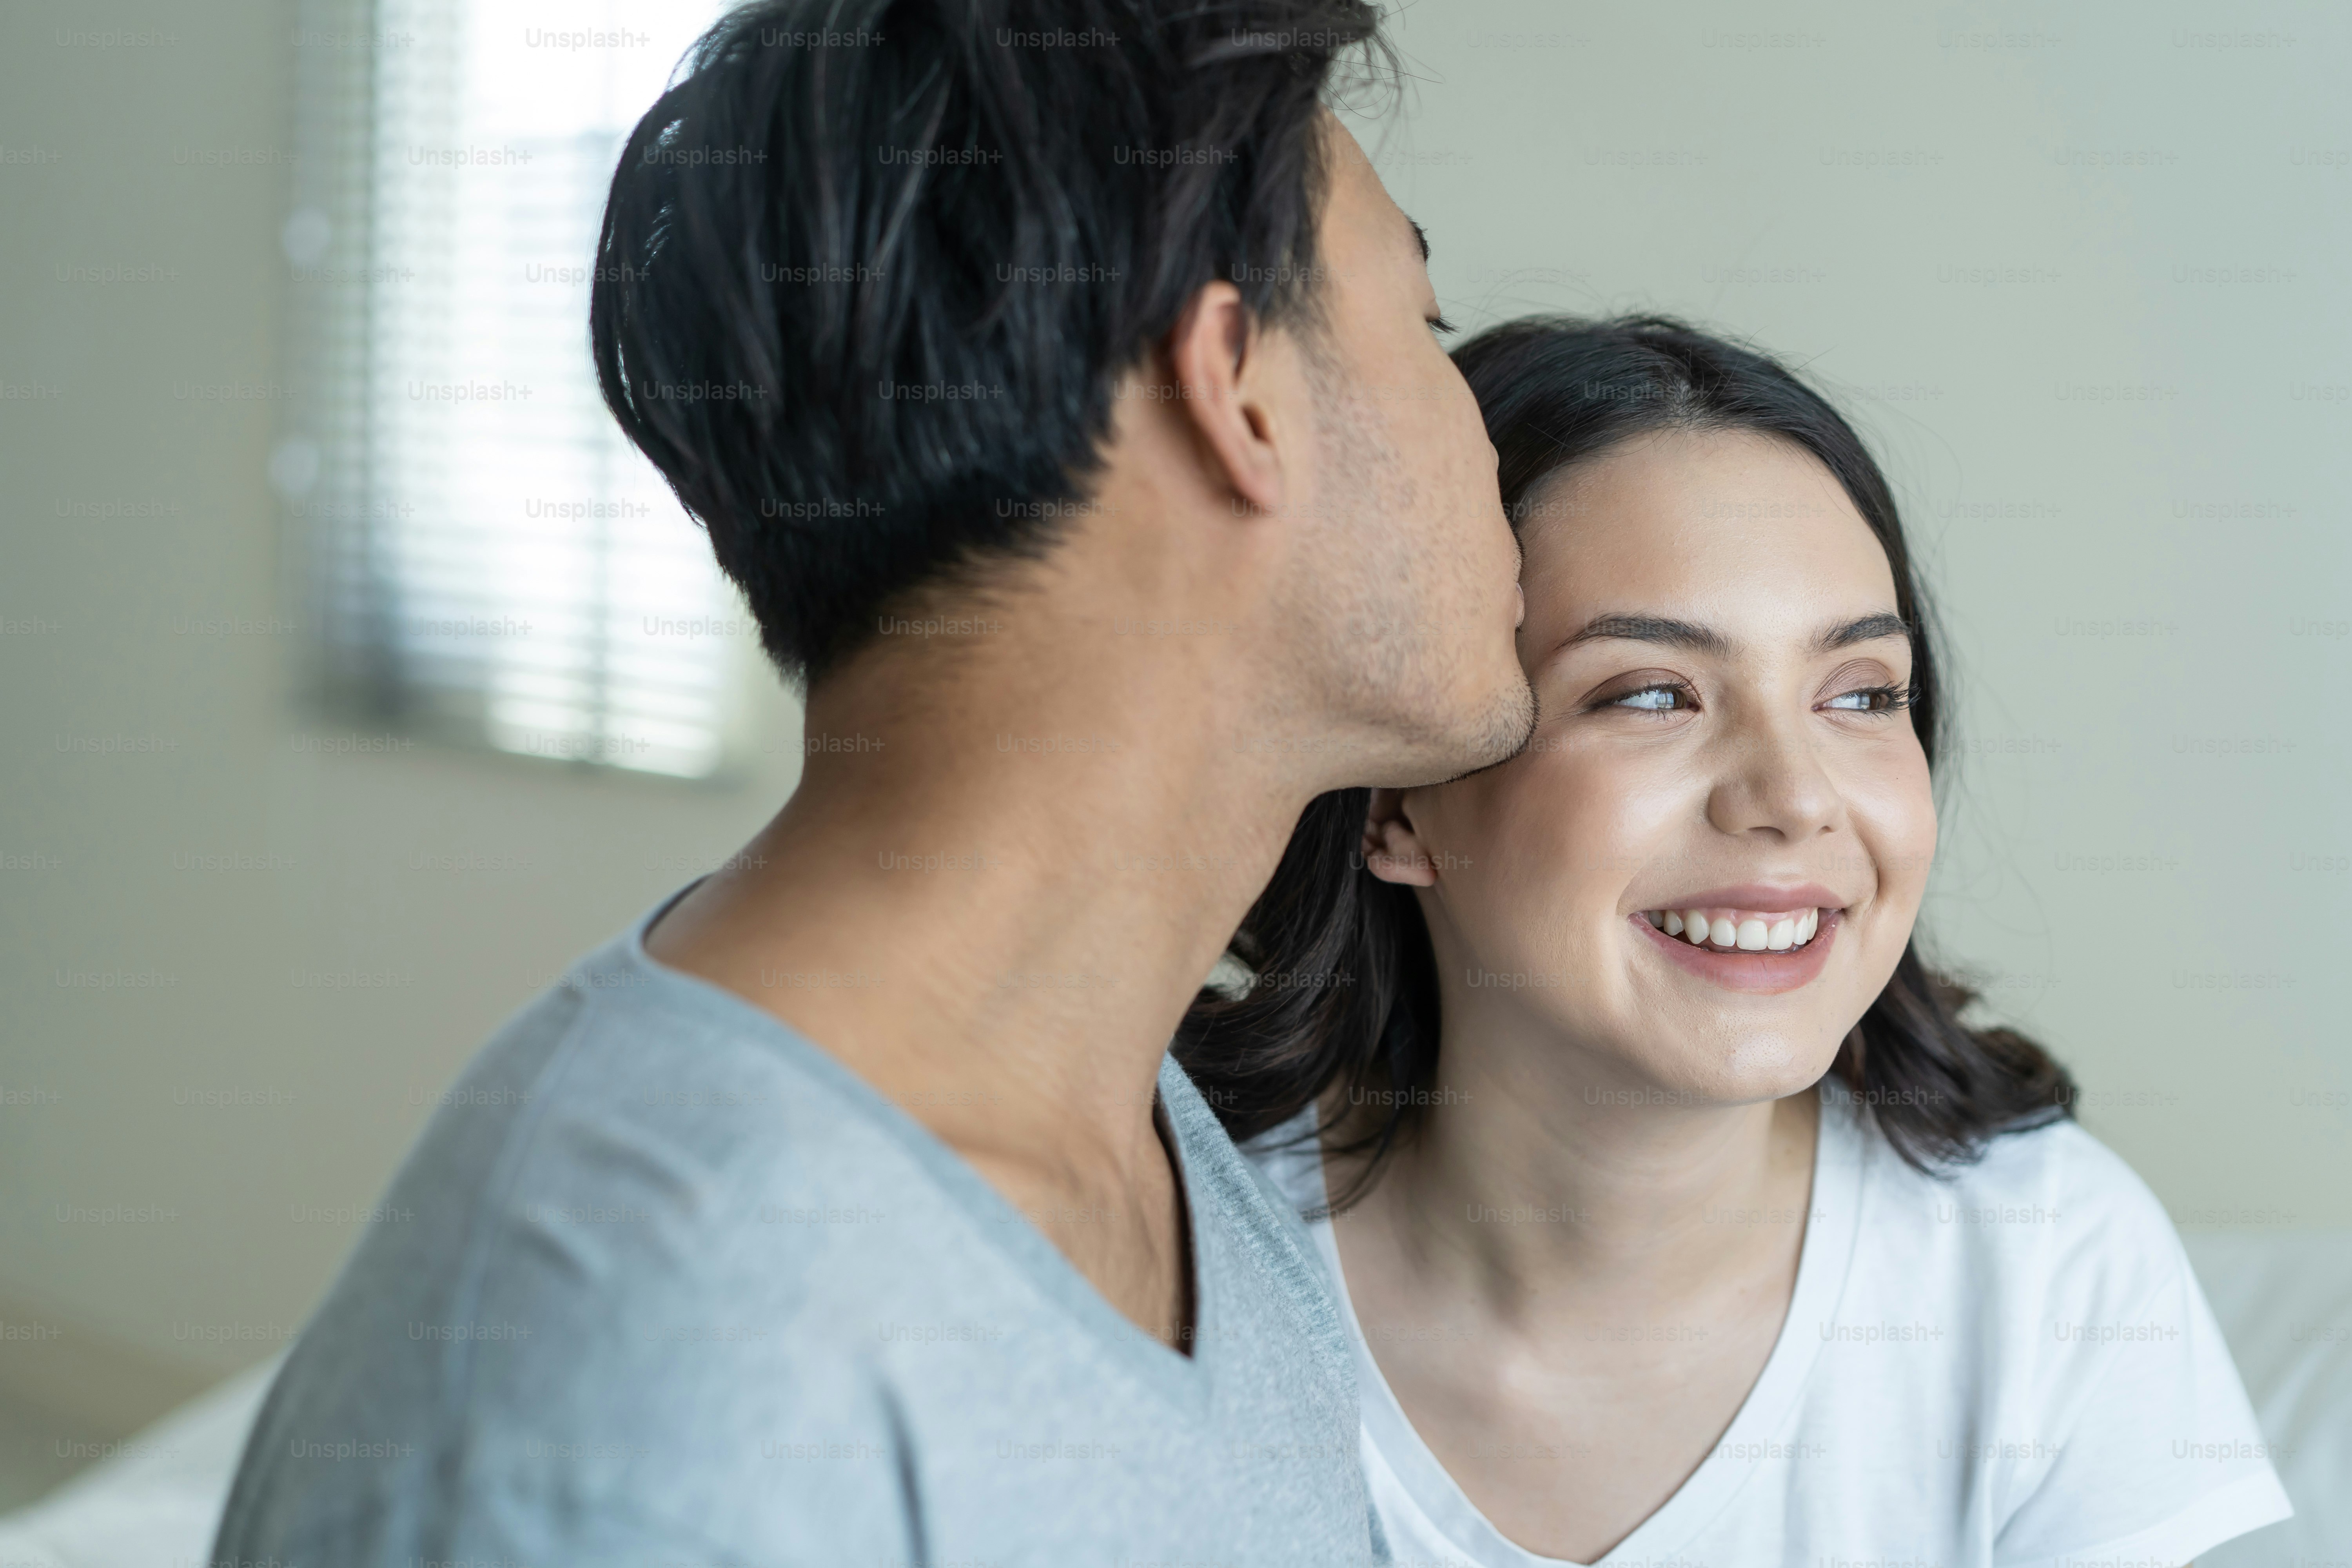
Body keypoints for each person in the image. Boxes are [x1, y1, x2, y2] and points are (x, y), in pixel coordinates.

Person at [211, 4, 1535, 1563]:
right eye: (1429, 327)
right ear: (1239, 393)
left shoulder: (1171, 1144)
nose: (1490, 445)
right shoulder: (645, 1379)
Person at [1182, 316, 2294, 1565]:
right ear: (1396, 799)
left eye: (1861, 695)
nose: (1794, 796)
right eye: (1649, 694)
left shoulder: (2047, 1274)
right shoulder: (1168, 1257)